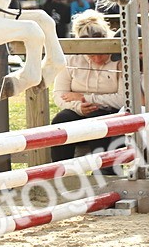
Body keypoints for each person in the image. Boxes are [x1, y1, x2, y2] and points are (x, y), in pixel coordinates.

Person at [50, 11, 125, 168]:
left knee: (99, 123)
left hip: (110, 113)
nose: (97, 59)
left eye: (101, 54)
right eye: (91, 55)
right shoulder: (70, 59)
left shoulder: (120, 60)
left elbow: (122, 99)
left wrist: (83, 97)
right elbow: (59, 94)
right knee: (60, 121)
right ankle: (61, 172)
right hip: (78, 112)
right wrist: (78, 106)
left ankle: (105, 173)